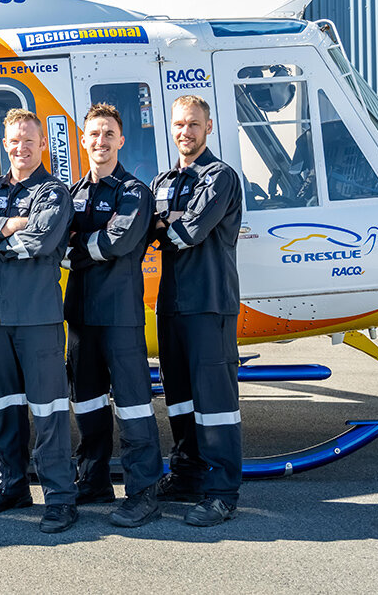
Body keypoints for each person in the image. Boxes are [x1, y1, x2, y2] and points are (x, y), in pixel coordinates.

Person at [0, 108, 79, 533]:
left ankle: (60, 497)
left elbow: (42, 241)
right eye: (13, 141)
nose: (21, 147)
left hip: (37, 317)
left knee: (48, 410)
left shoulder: (53, 192)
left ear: (42, 144)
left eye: (29, 140)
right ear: (3, 145)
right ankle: (12, 485)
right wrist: (7, 226)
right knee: (4, 405)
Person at [63, 103, 163, 528]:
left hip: (120, 317)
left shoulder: (135, 192)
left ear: (120, 141)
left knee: (134, 406)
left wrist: (79, 246)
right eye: (93, 134)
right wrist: (86, 247)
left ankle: (143, 492)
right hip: (81, 318)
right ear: (82, 140)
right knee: (85, 403)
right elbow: (58, 248)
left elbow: (117, 243)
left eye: (108, 134)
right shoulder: (72, 193)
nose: (100, 141)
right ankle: (94, 479)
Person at [150, 94, 244, 526]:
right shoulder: (164, 179)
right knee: (180, 399)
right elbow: (147, 226)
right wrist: (165, 222)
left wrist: (165, 223)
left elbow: (185, 233)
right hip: (171, 305)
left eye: (193, 124)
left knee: (216, 401)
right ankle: (187, 474)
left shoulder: (220, 177)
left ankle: (222, 490)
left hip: (210, 304)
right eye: (179, 125)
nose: (185, 132)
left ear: (208, 127)